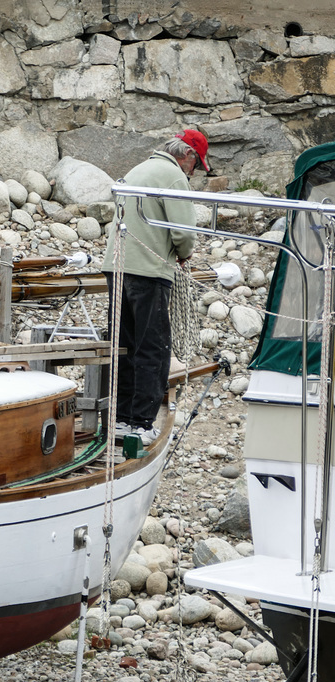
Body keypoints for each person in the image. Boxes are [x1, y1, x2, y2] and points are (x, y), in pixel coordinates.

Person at [102, 129, 209, 445]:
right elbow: (184, 233)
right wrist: (184, 253)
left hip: (117, 267)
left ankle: (120, 419)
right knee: (153, 348)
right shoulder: (173, 177)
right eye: (196, 164)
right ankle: (141, 423)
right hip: (149, 271)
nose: (194, 171)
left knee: (124, 345)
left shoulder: (137, 170)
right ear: (186, 155)